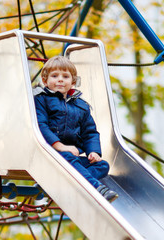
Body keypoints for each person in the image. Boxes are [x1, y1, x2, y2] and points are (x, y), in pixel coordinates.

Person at [34, 56, 118, 202]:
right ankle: (97, 188)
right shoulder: (41, 99)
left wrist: (93, 151)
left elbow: (89, 132)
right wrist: (60, 146)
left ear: (73, 81)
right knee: (69, 159)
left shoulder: (81, 105)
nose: (60, 79)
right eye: (55, 76)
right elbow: (41, 126)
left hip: (72, 157)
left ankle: (73, 183)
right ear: (45, 80)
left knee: (103, 165)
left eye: (65, 76)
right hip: (49, 154)